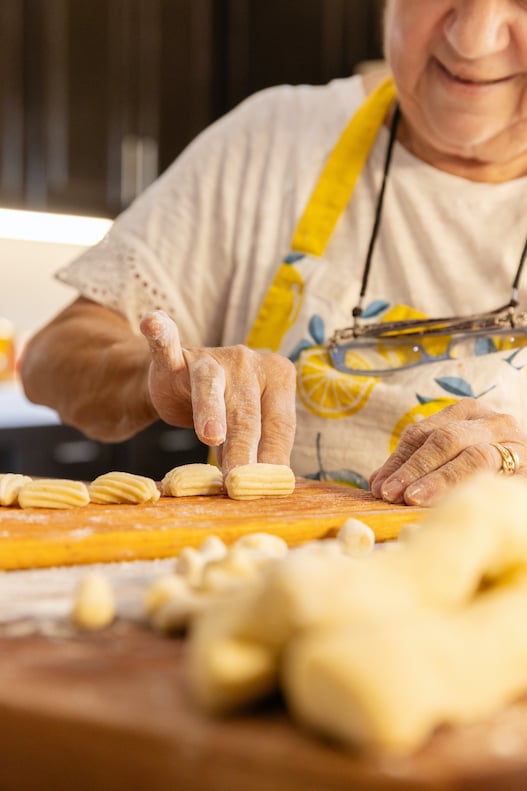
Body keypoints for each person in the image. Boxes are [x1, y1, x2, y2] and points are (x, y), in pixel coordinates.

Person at [20, 0, 527, 507]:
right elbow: (52, 357)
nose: (473, 38)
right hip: (259, 582)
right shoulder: (275, 138)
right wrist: (149, 378)